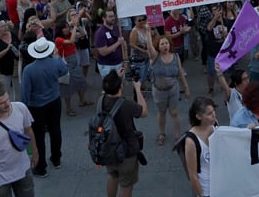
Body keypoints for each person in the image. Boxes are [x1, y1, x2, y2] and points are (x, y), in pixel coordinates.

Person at [21, 37, 68, 178]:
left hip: (36, 106)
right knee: (55, 129)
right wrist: (57, 57)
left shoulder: (28, 70)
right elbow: (64, 71)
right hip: (54, 100)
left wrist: (24, 109)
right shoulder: (55, 63)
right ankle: (56, 158)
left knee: (38, 136)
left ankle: (41, 166)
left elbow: (25, 93)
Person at [100, 69, 148, 197]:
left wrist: (116, 78)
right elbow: (144, 112)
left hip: (108, 149)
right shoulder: (126, 105)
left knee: (112, 176)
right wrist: (137, 89)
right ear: (120, 86)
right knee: (126, 185)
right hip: (127, 151)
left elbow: (107, 89)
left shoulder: (101, 101)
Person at [145, 28, 190, 146]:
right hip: (159, 91)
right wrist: (148, 32)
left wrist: (186, 87)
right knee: (161, 112)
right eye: (162, 44)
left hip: (173, 89)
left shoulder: (175, 56)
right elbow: (149, 47)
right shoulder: (154, 57)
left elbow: (180, 72)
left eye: (167, 43)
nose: (165, 46)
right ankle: (162, 133)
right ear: (158, 46)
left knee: (174, 112)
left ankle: (177, 135)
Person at [55, 18, 91, 116]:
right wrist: (74, 26)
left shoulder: (70, 34)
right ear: (60, 29)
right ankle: (68, 108)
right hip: (66, 64)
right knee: (67, 88)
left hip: (74, 62)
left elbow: (83, 35)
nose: (67, 29)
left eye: (67, 27)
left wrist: (78, 26)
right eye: (64, 28)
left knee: (81, 82)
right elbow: (71, 41)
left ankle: (82, 100)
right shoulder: (58, 39)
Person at [184, 96, 216, 197]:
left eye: (214, 111)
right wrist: (201, 194)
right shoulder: (191, 141)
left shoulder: (214, 125)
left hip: (219, 184)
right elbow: (193, 175)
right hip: (206, 189)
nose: (214, 115)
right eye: (209, 114)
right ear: (198, 116)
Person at [0, 20, 20, 99]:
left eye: (6, 25)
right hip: (3, 69)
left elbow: (18, 44)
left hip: (15, 67)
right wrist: (6, 50)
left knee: (18, 91)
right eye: (3, 26)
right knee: (4, 92)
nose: (5, 27)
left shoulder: (12, 34)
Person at [95, 9, 126, 77]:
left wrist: (125, 60)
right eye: (110, 16)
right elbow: (103, 52)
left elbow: (123, 45)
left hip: (119, 63)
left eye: (113, 16)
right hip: (107, 66)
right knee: (110, 86)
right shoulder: (100, 33)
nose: (113, 18)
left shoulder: (117, 28)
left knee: (120, 85)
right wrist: (118, 43)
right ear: (104, 18)